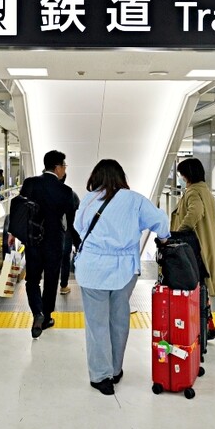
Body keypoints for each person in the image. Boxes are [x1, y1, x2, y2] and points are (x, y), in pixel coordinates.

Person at [73, 159, 170, 396]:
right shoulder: (134, 199)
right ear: (121, 177)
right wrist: (165, 238)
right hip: (124, 269)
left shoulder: (88, 199)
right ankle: (115, 370)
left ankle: (101, 376)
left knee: (97, 325)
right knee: (119, 319)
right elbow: (160, 221)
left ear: (96, 177)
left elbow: (77, 227)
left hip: (92, 268)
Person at [14, 150, 77, 339]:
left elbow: (20, 210)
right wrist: (76, 241)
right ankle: (47, 316)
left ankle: (37, 313)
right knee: (51, 280)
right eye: (64, 166)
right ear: (58, 167)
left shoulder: (30, 183)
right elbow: (71, 222)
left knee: (32, 280)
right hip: (54, 242)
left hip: (33, 241)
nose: (64, 170)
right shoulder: (65, 191)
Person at [171, 158, 215, 297]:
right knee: (204, 282)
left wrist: (180, 231)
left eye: (182, 174)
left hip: (195, 243)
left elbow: (196, 211)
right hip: (206, 241)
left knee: (197, 279)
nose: (181, 178)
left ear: (188, 174)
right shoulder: (204, 190)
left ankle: (197, 314)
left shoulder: (193, 192)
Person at [59, 174, 80, 296]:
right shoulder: (71, 194)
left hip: (48, 233)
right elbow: (76, 219)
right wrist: (77, 242)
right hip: (66, 232)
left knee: (50, 260)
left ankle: (48, 289)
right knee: (65, 259)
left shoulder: (43, 191)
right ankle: (63, 286)